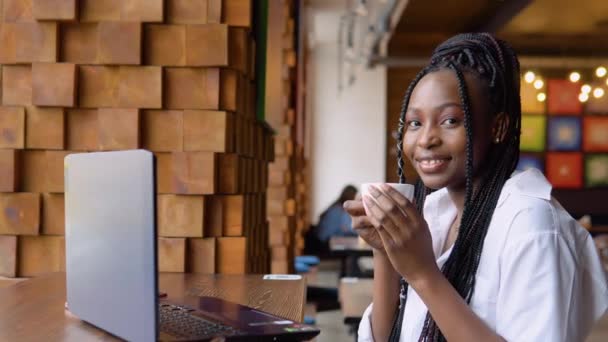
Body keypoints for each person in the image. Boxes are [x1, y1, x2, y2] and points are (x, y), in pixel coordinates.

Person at [344, 33, 608, 342]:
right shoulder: (435, 214)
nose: (426, 139)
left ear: (498, 127)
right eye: (414, 123)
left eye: (450, 120)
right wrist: (385, 252)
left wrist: (423, 274)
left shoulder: (533, 226)